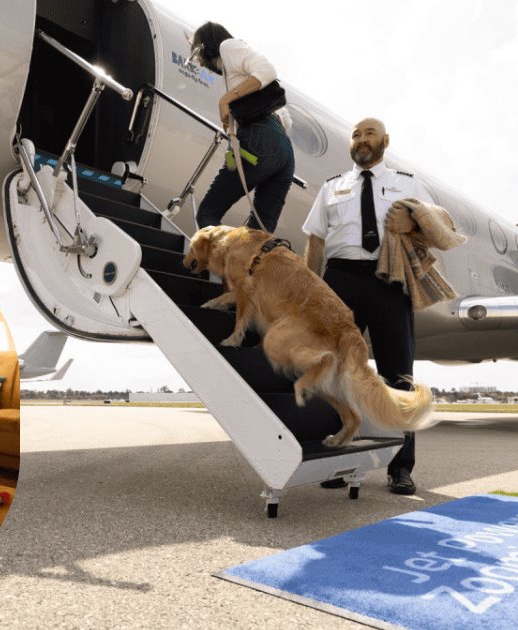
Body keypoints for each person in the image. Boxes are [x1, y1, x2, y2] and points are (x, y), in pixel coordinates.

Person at [301, 117, 433, 495]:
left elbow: (435, 227)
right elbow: (315, 241)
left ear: (385, 141)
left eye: (369, 133)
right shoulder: (332, 188)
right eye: (356, 134)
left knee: (398, 374)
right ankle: (339, 461)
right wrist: (311, 294)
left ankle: (400, 468)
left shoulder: (408, 183)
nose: (361, 139)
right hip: (341, 280)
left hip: (390, 280)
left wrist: (414, 224)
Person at [189, 22, 295, 233]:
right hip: (284, 151)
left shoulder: (228, 46)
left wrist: (226, 100)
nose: (199, 62)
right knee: (258, 234)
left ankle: (227, 260)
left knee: (208, 213)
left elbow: (267, 70)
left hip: (263, 136)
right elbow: (285, 123)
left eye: (196, 54)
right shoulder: (232, 72)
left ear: (205, 45)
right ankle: (249, 261)